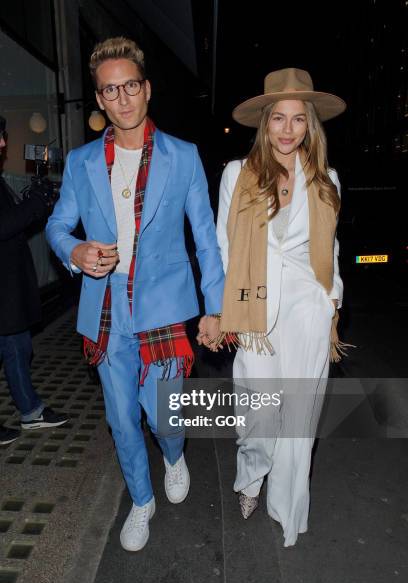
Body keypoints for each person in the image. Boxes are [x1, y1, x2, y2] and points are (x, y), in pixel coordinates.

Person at [46, 37, 224, 552]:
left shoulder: (183, 157)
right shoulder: (81, 163)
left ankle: (173, 455)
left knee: (163, 414)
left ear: (146, 90)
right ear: (99, 100)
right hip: (104, 306)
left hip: (165, 305)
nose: (121, 99)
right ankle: (141, 499)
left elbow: (206, 238)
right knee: (120, 415)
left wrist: (214, 309)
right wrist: (75, 252)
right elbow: (59, 225)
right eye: (109, 91)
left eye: (129, 87)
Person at [216, 68, 348, 547]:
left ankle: (287, 507)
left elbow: (330, 250)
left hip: (308, 313)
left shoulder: (326, 179)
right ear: (265, 123)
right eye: (278, 118)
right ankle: (251, 476)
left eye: (298, 119)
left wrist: (331, 300)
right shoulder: (238, 174)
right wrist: (220, 310)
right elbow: (224, 248)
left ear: (310, 125)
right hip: (257, 313)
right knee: (259, 413)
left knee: (299, 419)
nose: (288, 129)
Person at [0, 115, 68, 446]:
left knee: (18, 348)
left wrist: (33, 202)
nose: (3, 144)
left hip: (8, 288)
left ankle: (31, 411)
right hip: (3, 291)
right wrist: (34, 204)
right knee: (16, 348)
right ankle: (31, 411)